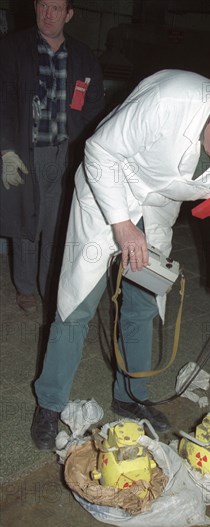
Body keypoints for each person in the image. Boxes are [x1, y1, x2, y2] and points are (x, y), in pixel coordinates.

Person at [30, 68, 210, 449]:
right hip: (107, 191)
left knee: (143, 305)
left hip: (157, 209)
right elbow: (99, 150)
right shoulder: (168, 101)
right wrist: (123, 224)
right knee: (77, 302)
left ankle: (131, 396)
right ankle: (49, 403)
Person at [0, 0, 105, 315]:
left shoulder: (83, 56)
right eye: (43, 5)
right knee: (27, 222)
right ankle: (26, 288)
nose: (49, 13)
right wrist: (5, 149)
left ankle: (49, 287)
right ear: (35, 8)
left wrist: (86, 148)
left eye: (56, 8)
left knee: (57, 225)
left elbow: (94, 104)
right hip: (25, 152)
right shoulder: (12, 48)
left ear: (69, 14)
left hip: (65, 153)